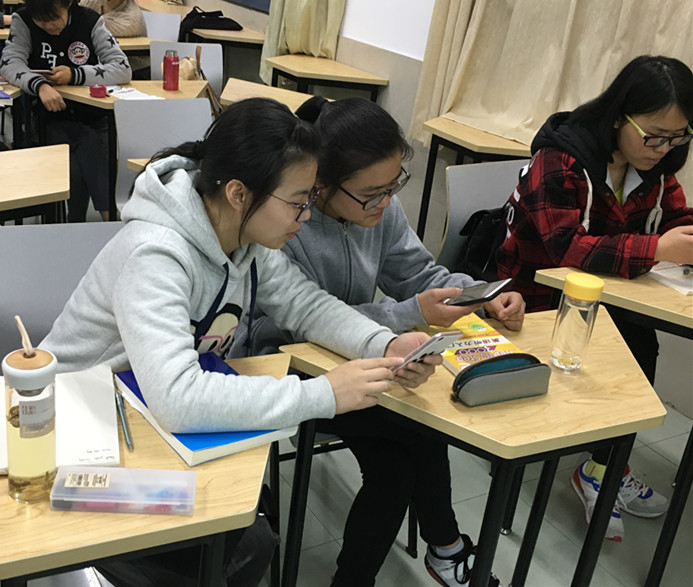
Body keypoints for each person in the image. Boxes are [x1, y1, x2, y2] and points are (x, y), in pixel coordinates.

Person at [40, 97, 440, 585]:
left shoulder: (245, 238)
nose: (306, 216)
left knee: (246, 533)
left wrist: (383, 344)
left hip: (144, 420)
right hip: (74, 442)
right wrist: (324, 394)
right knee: (237, 547)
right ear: (237, 193)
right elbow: (178, 397)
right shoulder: (156, 255)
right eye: (298, 201)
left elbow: (305, 305)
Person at [239, 96, 525, 587]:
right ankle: (446, 549)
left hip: (367, 361)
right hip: (296, 373)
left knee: (403, 455)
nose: (386, 203)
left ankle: (436, 552)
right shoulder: (286, 225)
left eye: (394, 186)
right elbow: (291, 326)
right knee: (413, 442)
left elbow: (418, 275)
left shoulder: (380, 213)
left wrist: (479, 296)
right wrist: (409, 314)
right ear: (319, 184)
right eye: (372, 194)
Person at [497, 55, 693, 542]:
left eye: (678, 138)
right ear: (619, 117)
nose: (664, 149)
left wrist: (683, 237)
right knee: (613, 350)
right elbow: (564, 248)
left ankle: (603, 469)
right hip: (531, 296)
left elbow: (675, 218)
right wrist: (657, 249)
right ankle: (580, 464)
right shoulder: (560, 158)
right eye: (654, 135)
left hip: (603, 293)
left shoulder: (657, 169)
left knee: (640, 349)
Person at [0, 0, 131, 222]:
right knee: (87, 143)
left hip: (92, 114)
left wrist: (75, 74)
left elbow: (122, 68)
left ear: (68, 4)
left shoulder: (89, 21)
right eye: (41, 21)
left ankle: (74, 223)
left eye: (54, 19)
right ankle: (110, 220)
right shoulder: (23, 20)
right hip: (48, 119)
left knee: (78, 161)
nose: (49, 26)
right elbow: (10, 64)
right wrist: (40, 85)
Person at [79, 0, 149, 77]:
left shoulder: (130, 19)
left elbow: (87, 24)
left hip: (133, 71)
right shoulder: (93, 1)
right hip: (101, 67)